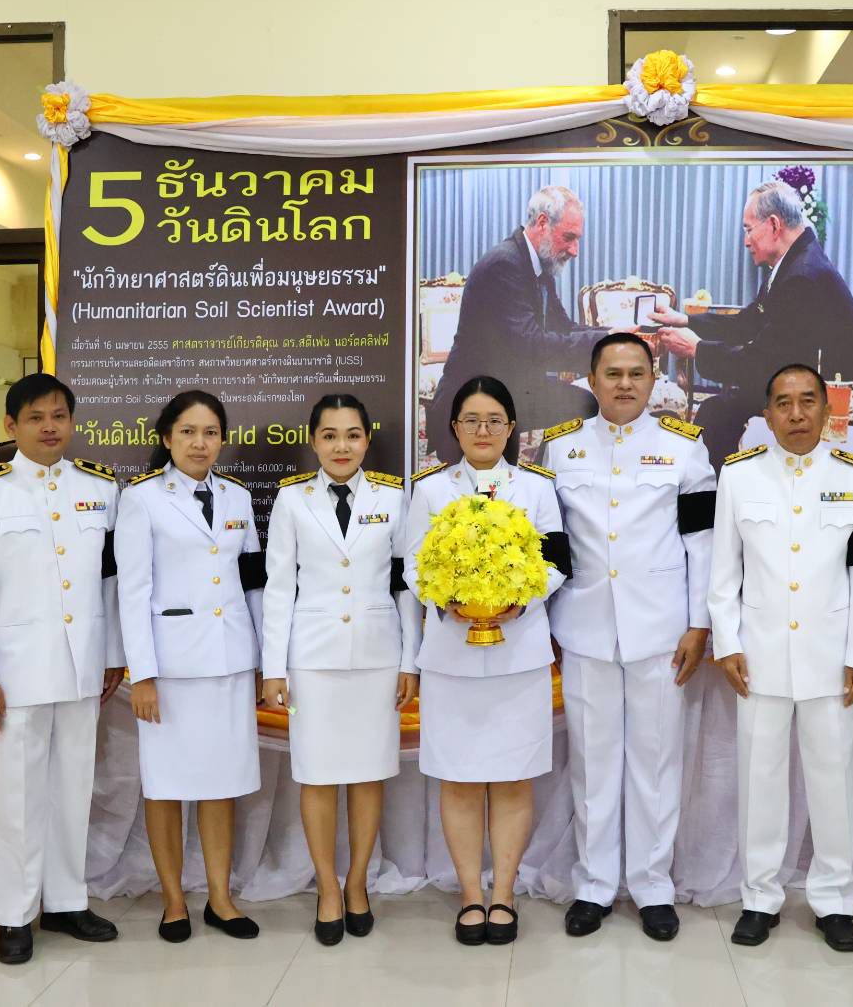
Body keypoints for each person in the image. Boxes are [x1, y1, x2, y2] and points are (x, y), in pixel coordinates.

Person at [539, 333, 715, 941]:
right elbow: (550, 542)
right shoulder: (560, 448)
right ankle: (594, 885)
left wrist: (699, 622)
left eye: (636, 373)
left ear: (654, 378)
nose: (624, 384)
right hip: (584, 626)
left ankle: (652, 886)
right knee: (592, 763)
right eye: (612, 373)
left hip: (661, 629)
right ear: (591, 380)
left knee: (656, 761)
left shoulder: (684, 449)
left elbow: (701, 544)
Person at [0, 373, 124, 964]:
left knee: (74, 786)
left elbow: (109, 580)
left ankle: (67, 901)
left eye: (58, 416)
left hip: (83, 664)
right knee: (19, 793)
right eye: (35, 418)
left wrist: (114, 653)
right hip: (17, 671)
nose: (49, 428)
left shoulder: (99, 488)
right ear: (12, 426)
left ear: (72, 422)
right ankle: (14, 915)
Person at [709, 364, 853, 953]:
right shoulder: (739, 476)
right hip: (757, 656)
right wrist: (727, 642)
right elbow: (723, 572)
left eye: (809, 401)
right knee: (759, 780)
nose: (797, 414)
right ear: (767, 414)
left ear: (827, 411)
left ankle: (835, 901)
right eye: (783, 403)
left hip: (831, 657)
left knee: (834, 781)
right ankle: (759, 898)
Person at [403, 376, 570, 945]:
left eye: (494, 420)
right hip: (451, 656)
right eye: (471, 420)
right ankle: (470, 895)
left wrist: (518, 600)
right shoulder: (430, 490)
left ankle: (504, 894)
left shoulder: (536, 488)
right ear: (454, 428)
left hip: (519, 653)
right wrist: (449, 599)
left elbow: (559, 560)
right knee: (460, 778)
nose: (483, 430)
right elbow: (411, 566)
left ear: (511, 428)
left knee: (513, 776)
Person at [260, 394, 422, 946]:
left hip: (377, 656)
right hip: (313, 659)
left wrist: (410, 660)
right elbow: (278, 588)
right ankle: (327, 887)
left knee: (368, 773)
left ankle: (357, 884)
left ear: (366, 439)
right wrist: (274, 668)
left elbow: (406, 585)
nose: (341, 446)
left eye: (352, 435)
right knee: (318, 775)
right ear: (314, 441)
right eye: (329, 435)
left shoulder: (393, 497)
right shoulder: (292, 500)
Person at [116, 390, 267, 944]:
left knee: (221, 783)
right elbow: (132, 592)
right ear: (167, 438)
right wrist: (142, 675)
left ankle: (220, 899)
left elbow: (253, 584)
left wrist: (263, 660)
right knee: (166, 785)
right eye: (188, 432)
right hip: (171, 669)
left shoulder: (237, 497)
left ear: (221, 439)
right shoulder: (142, 499)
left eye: (210, 432)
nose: (200, 443)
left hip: (229, 662)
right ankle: (174, 901)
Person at [651, 180, 853, 469]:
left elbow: (763, 363)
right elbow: (747, 323)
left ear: (774, 224)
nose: (746, 241)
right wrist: (685, 319)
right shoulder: (794, 263)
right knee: (717, 409)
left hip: (812, 400)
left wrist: (697, 349)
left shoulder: (802, 277)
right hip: (790, 382)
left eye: (749, 229)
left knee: (716, 414)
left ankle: (711, 493)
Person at [427, 186, 619, 463]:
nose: (575, 251)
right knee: (494, 484)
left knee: (584, 405)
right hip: (473, 398)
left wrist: (614, 337)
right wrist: (606, 343)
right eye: (569, 237)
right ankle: (541, 475)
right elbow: (529, 345)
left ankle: (544, 475)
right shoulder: (504, 264)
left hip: (511, 388)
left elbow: (563, 327)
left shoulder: (539, 266)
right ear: (542, 223)